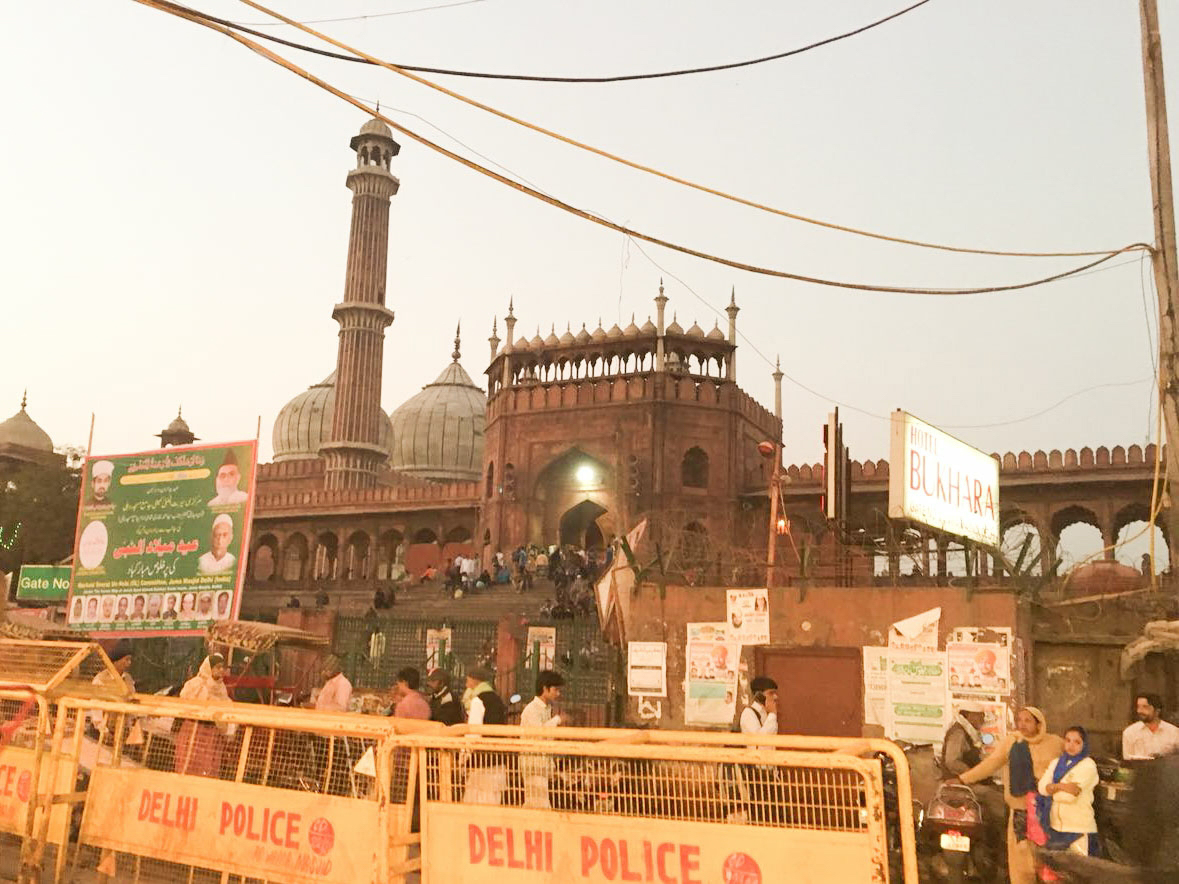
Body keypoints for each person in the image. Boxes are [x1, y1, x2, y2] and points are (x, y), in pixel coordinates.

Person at [952, 706, 1065, 884]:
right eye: (1019, 720)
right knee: (1021, 861)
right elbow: (990, 765)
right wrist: (962, 779)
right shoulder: (1012, 742)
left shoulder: (1055, 743)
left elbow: (1072, 765)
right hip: (1021, 811)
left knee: (1048, 861)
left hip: (1047, 811)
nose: (1022, 724)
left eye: (1027, 721)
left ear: (1039, 723)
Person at [1037, 725, 1100, 857]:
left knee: (1081, 872)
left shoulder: (1088, 765)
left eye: (1077, 742)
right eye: (1068, 740)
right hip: (1055, 827)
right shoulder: (1056, 762)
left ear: (1084, 744)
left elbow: (1068, 797)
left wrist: (1052, 787)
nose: (1071, 745)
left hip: (1079, 830)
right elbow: (1041, 788)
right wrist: (1061, 787)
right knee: (1058, 873)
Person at [175, 654, 232, 777]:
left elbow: (225, 706)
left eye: (223, 668)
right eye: (217, 667)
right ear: (209, 668)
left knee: (207, 765)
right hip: (194, 729)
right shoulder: (195, 684)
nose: (221, 671)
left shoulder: (221, 688)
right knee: (188, 762)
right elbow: (186, 698)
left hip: (211, 733)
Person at [519, 670, 564, 809]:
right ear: (545, 689)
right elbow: (539, 733)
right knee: (539, 805)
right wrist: (557, 720)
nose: (558, 694)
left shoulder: (546, 709)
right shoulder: (531, 710)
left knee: (534, 804)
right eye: (555, 690)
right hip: (533, 764)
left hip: (541, 765)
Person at [463, 667, 507, 805]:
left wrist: (464, 757)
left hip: (481, 762)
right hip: (497, 761)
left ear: (473, 681)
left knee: (475, 804)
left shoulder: (477, 701)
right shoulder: (497, 699)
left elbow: (474, 732)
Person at [1123, 692, 1179, 760]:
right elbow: (1127, 760)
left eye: (1145, 707)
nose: (1139, 711)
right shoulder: (1130, 732)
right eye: (1138, 707)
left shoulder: (1173, 732)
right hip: (1139, 769)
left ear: (1157, 710)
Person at [941, 702, 987, 777]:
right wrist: (972, 774)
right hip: (960, 783)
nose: (983, 720)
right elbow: (952, 762)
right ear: (970, 716)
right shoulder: (958, 733)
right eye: (981, 716)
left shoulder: (967, 732)